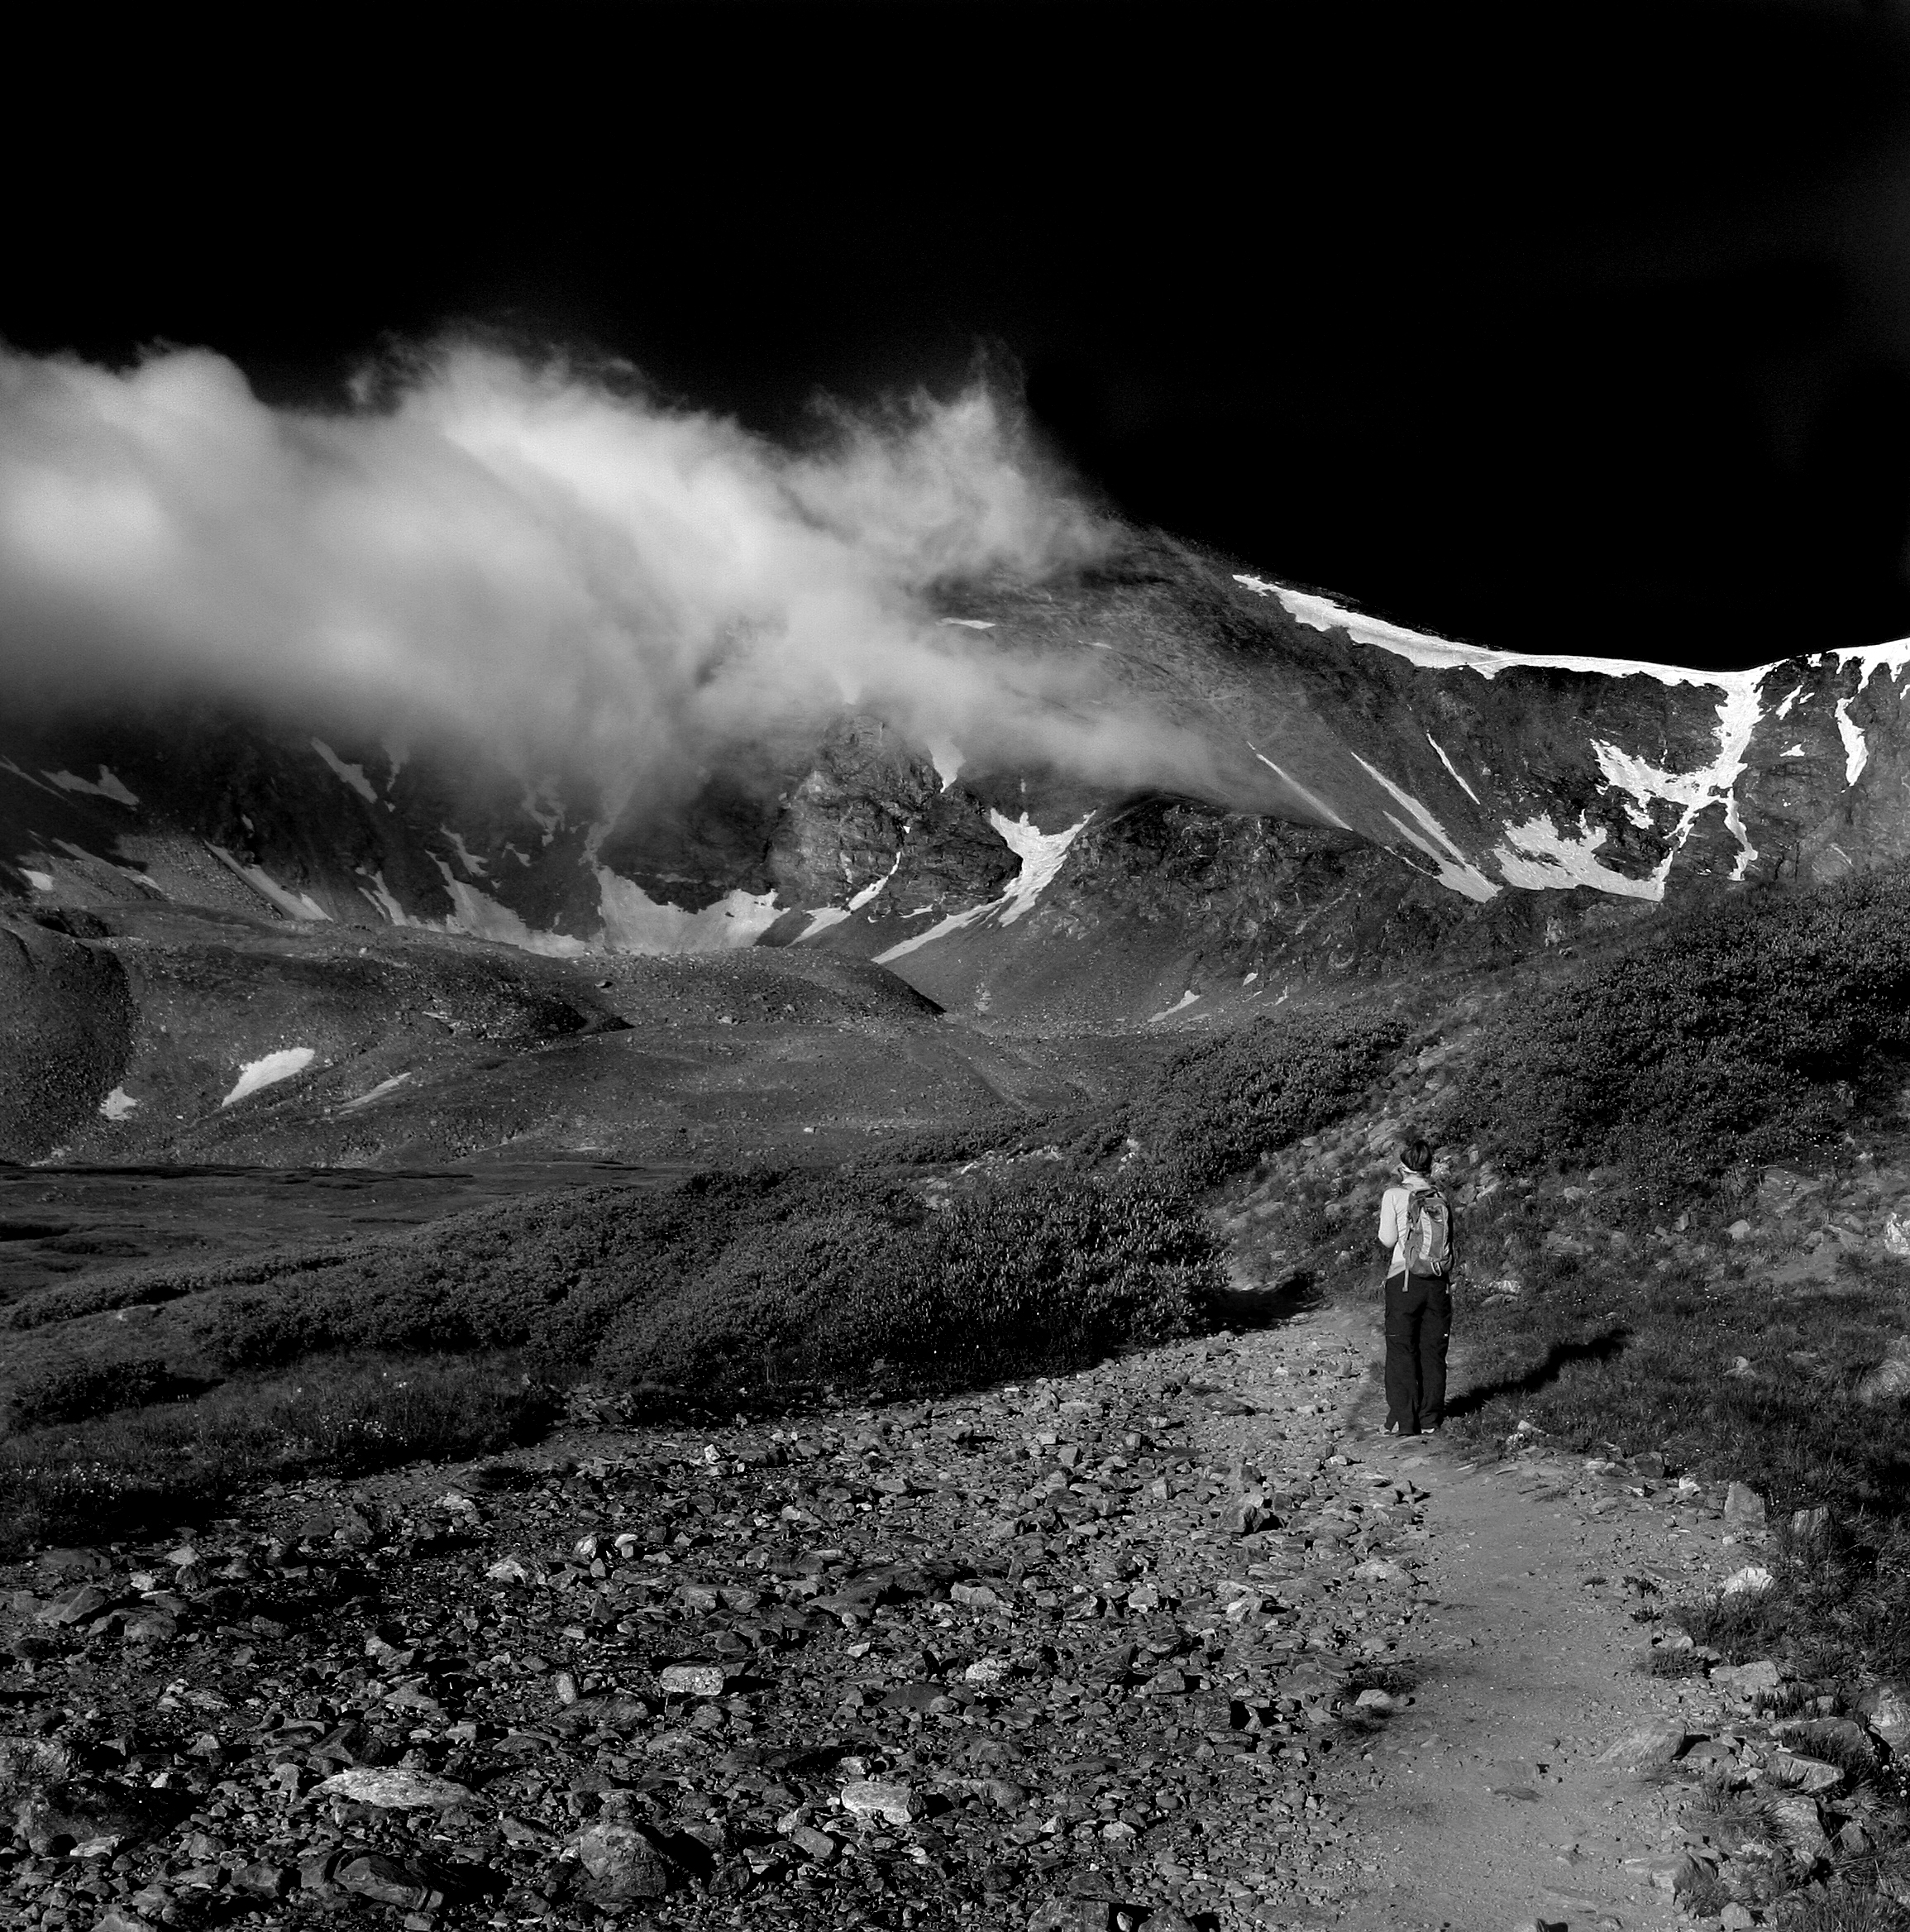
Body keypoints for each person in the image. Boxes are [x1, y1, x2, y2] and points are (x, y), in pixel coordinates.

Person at [1375, 1136, 1454, 1437]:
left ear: (1402, 1166)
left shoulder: (1394, 1194)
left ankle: (1402, 1421)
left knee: (1401, 1348)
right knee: (1433, 1351)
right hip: (1438, 1282)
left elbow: (1387, 1239)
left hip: (1404, 1279)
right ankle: (1431, 1419)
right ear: (1428, 1166)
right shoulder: (1440, 1196)